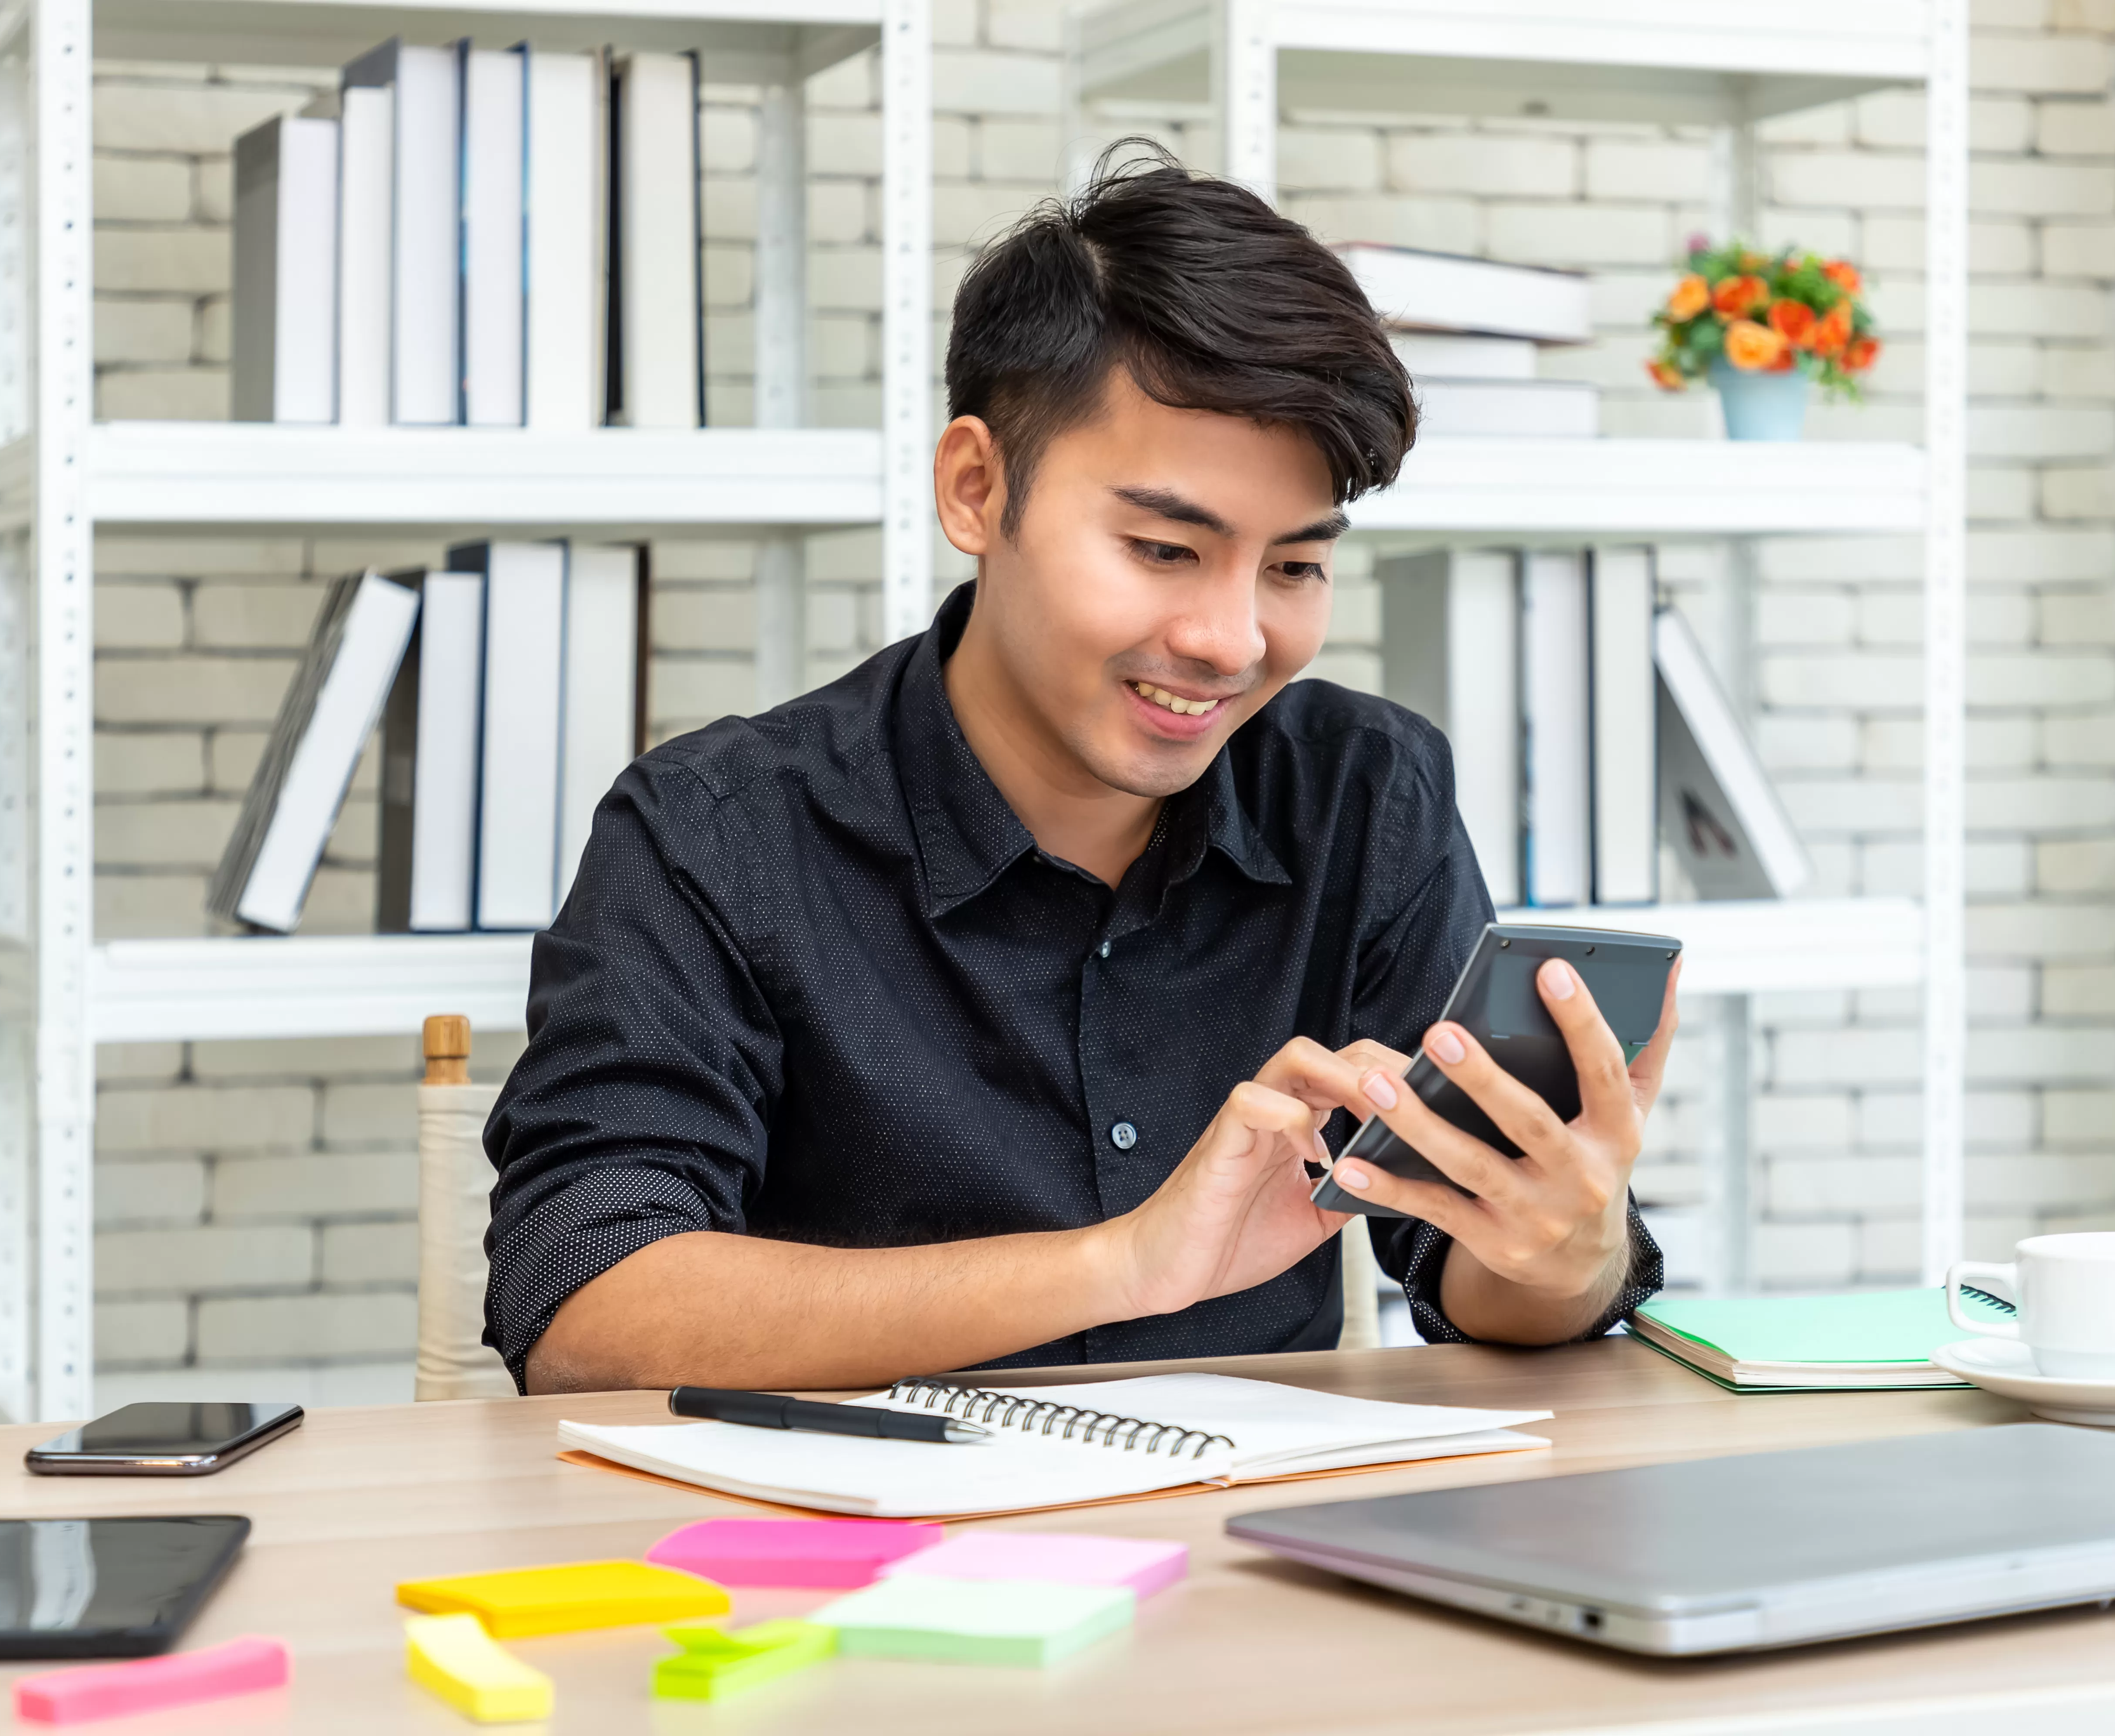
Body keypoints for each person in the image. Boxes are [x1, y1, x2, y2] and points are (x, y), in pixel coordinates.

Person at [484, 146, 1674, 1395]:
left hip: (1254, 1553)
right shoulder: (717, 834)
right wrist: (1127, 1264)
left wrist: (1565, 1251)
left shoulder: (1362, 794)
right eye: (1165, 549)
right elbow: (585, 1305)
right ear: (975, 488)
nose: (1231, 640)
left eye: (1294, 567)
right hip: (848, 1557)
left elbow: (1469, 1270)